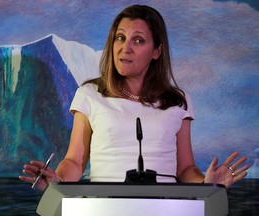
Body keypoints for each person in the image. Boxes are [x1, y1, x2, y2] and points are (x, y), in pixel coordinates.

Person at [19, 4, 249, 191]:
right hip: (105, 205)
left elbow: (185, 168)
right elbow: (75, 161)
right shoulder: (89, 94)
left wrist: (206, 185)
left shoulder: (179, 101)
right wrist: (58, 181)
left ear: (157, 51)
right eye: (120, 38)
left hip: (164, 207)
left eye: (137, 40)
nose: (125, 48)